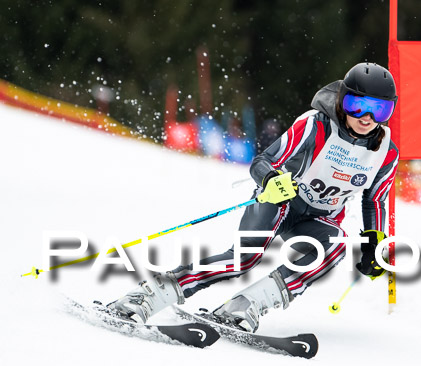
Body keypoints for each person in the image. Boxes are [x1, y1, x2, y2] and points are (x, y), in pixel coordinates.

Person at [108, 63, 400, 333]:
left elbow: (374, 200)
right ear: (342, 100)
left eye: (380, 110)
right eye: (357, 105)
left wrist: (375, 242)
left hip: (318, 219)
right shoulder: (316, 125)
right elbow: (262, 161)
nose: (367, 118)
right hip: (281, 202)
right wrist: (270, 179)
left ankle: (246, 306)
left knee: (336, 246)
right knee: (243, 259)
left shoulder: (387, 152)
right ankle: (147, 296)